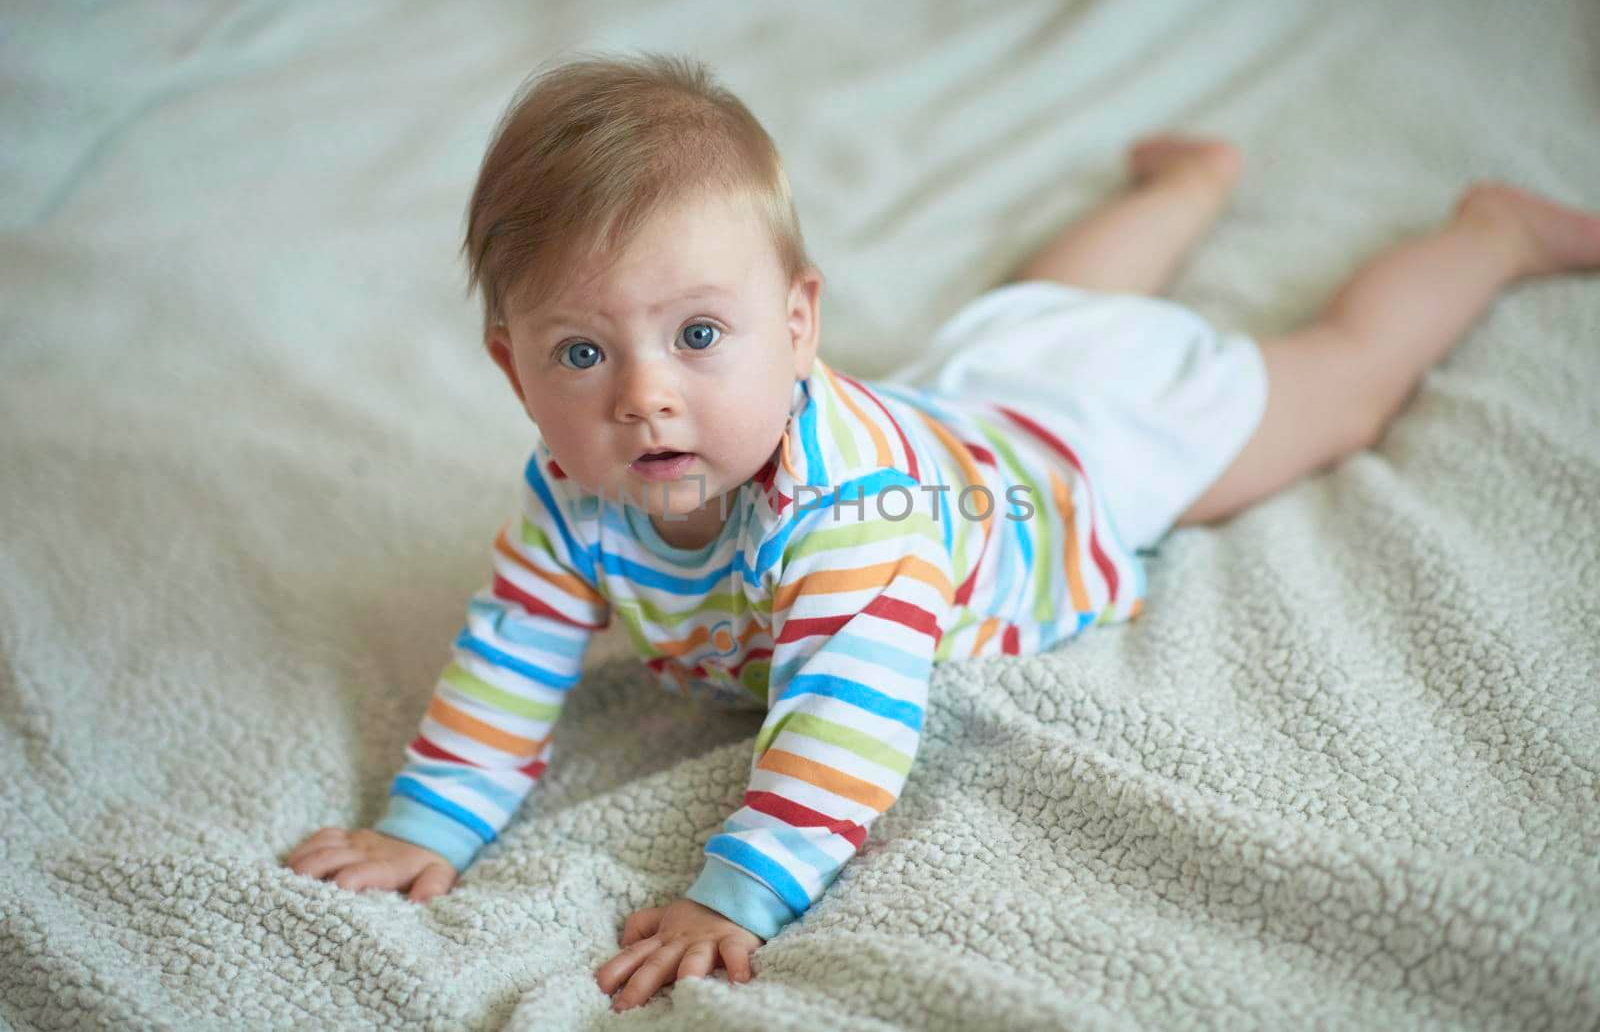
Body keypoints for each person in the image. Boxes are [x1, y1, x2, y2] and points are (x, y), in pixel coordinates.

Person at [283, 53, 1600, 1012]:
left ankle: (1485, 235)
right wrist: (433, 820)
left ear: (799, 325)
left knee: (1340, 383)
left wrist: (732, 891)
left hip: (1072, 465)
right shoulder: (573, 495)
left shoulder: (847, 520)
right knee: (1043, 305)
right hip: (968, 402)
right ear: (514, 373)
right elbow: (510, 648)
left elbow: (847, 720)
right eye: (583, 351)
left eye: (699, 335)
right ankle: (1195, 184)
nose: (646, 397)